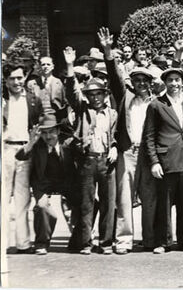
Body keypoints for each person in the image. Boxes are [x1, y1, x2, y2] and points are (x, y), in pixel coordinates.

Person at [98, 28, 159, 254]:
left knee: (149, 197)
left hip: (149, 153)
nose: (141, 83)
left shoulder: (155, 102)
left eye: (145, 79)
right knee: (124, 198)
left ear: (150, 82)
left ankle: (150, 239)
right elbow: (114, 77)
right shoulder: (126, 97)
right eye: (137, 79)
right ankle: (124, 240)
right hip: (129, 152)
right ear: (132, 81)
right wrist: (108, 51)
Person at [63, 46, 119, 256]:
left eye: (99, 94)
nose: (95, 98)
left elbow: (116, 135)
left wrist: (114, 147)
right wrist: (69, 65)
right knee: (86, 204)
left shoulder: (112, 113)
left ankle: (105, 243)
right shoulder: (82, 109)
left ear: (105, 95)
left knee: (108, 204)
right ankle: (85, 242)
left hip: (107, 161)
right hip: (88, 160)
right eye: (92, 94)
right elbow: (72, 92)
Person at [143, 67, 183, 254]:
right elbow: (149, 136)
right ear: (165, 83)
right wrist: (154, 162)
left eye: (177, 80)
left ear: (182, 83)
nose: (174, 84)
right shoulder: (156, 105)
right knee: (165, 203)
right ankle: (164, 242)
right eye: (171, 80)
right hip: (166, 160)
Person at [14, 114, 79, 255]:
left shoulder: (68, 143)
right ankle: (41, 243)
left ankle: (78, 240)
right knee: (42, 207)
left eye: (51, 132)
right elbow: (19, 156)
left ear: (58, 131)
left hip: (66, 182)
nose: (48, 136)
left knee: (85, 203)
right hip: (43, 183)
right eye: (44, 132)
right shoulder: (37, 144)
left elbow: (82, 155)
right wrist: (31, 142)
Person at [2, 62, 43, 254]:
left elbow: (38, 125)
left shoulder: (33, 100)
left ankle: (23, 243)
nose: (17, 82)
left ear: (25, 77)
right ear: (5, 80)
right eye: (12, 78)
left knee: (22, 198)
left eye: (20, 77)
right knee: (2, 198)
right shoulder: (3, 100)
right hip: (5, 149)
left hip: (25, 151)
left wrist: (31, 145)